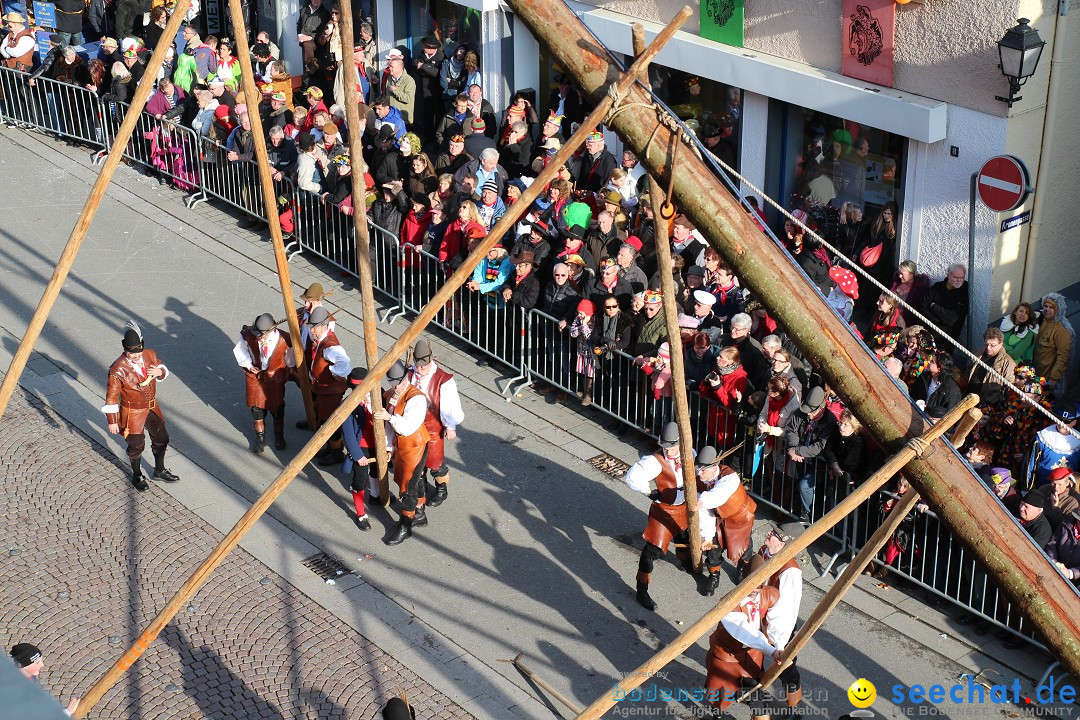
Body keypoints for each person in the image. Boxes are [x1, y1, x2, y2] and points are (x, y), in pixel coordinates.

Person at [624, 422, 694, 611]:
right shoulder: (654, 461)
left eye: (671, 447)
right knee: (651, 552)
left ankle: (685, 563)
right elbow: (631, 477)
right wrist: (649, 492)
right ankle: (642, 589)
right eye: (665, 447)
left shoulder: (690, 454)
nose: (668, 451)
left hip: (684, 507)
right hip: (665, 510)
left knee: (684, 538)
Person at [103, 322, 179, 491]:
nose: (136, 355)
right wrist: (112, 421)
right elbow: (111, 397)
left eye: (138, 352)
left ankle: (159, 470)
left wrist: (160, 372)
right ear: (125, 350)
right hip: (132, 411)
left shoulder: (149, 354)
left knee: (162, 439)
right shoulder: (117, 369)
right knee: (136, 445)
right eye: (132, 353)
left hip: (152, 407)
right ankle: (137, 475)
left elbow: (161, 366)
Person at [703, 553, 778, 719]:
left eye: (759, 588)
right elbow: (744, 631)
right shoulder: (729, 604)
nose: (755, 592)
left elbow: (779, 619)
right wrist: (770, 649)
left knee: (758, 700)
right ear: (743, 577)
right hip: (726, 658)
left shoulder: (768, 595)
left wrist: (778, 644)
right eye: (751, 586)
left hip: (752, 657)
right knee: (720, 699)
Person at [375, 360, 430, 545]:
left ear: (406, 377)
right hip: (402, 445)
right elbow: (390, 429)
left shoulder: (417, 398)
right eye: (392, 382)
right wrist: (389, 448)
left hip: (415, 445)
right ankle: (420, 512)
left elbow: (406, 427)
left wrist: (389, 417)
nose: (394, 386)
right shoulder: (392, 393)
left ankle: (405, 525)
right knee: (414, 480)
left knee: (408, 487)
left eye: (397, 382)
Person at [754, 521, 807, 714]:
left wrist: (779, 645)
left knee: (786, 670)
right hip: (757, 618)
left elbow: (786, 611)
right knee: (752, 659)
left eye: (775, 533)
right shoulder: (764, 551)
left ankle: (794, 709)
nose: (769, 533)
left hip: (780, 628)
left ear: (783, 544)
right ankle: (754, 696)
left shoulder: (790, 572)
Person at [406, 339, 464, 508]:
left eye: (424, 366)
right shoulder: (410, 374)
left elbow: (449, 404)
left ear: (431, 360)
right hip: (413, 426)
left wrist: (450, 425)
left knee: (435, 459)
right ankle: (420, 487)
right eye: (418, 366)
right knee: (417, 460)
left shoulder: (443, 380)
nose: (421, 369)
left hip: (432, 427)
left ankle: (441, 488)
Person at [697, 445, 757, 595]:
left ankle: (743, 569)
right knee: (712, 547)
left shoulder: (729, 478)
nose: (700, 473)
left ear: (714, 466)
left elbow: (717, 496)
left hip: (739, 518)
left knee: (744, 547)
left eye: (704, 470)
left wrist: (702, 500)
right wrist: (708, 537)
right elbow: (705, 511)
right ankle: (714, 575)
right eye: (699, 468)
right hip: (718, 518)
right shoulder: (701, 479)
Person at [233, 313, 295, 453]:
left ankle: (279, 436)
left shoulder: (285, 339)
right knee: (257, 409)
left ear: (270, 330)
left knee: (277, 408)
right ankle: (260, 438)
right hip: (255, 377)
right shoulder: (248, 334)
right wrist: (249, 365)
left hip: (275, 379)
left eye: (261, 334)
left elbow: (291, 360)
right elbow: (240, 349)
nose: (258, 337)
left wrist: (285, 371)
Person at [303, 307, 351, 465]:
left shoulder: (330, 345)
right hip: (325, 388)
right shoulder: (322, 340)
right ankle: (332, 448)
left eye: (315, 327)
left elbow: (344, 363)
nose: (313, 331)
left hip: (331, 390)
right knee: (325, 418)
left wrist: (330, 371)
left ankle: (337, 451)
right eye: (312, 327)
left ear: (324, 326)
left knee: (330, 421)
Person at [787, 386, 838, 523]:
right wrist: (794, 447)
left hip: (819, 463)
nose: (808, 414)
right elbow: (792, 429)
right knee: (793, 481)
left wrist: (797, 451)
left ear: (820, 408)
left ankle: (806, 513)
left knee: (805, 485)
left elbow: (819, 446)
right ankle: (798, 508)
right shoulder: (801, 412)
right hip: (800, 458)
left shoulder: (830, 421)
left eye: (812, 411)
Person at [341, 367, 377, 530]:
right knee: (360, 480)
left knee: (377, 472)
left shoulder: (379, 395)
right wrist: (357, 455)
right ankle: (361, 514)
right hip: (361, 447)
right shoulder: (347, 405)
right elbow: (348, 434)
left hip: (378, 443)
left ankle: (376, 495)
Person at [9, 643, 80, 715]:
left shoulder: (30, 677)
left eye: (41, 660)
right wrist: (67, 712)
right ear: (21, 665)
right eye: (37, 663)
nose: (42, 665)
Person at [1027, 402, 1080, 489]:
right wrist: (1028, 490)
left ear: (1074, 422)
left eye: (1067, 421)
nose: (1062, 424)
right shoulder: (1042, 438)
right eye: (1059, 419)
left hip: (1069, 492)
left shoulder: (1078, 440)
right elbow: (1030, 466)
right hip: (1043, 489)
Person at [919, 263, 969, 345]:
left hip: (946, 340)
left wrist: (933, 306)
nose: (959, 280)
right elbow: (923, 308)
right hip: (927, 334)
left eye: (962, 277)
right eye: (956, 277)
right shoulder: (937, 287)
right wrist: (940, 320)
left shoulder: (965, 291)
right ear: (948, 275)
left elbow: (952, 319)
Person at [966, 327, 1016, 409]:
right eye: (986, 344)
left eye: (992, 345)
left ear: (1000, 344)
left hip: (988, 405)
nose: (988, 348)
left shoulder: (1008, 363)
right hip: (970, 398)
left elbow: (1009, 388)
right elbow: (968, 368)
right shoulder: (980, 353)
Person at [1034, 293, 1073, 397]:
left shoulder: (1062, 330)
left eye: (1051, 307)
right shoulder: (1045, 321)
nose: (1047, 309)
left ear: (1058, 309)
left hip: (1048, 379)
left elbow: (1063, 356)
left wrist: (1053, 378)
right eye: (1045, 306)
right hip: (1037, 374)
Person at [1046, 507, 1080, 584]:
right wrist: (1053, 561)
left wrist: (1070, 573)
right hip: (1052, 567)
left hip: (1073, 582)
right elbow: (1052, 543)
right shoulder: (1066, 524)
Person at [1000, 301, 1039, 366]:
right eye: (1021, 311)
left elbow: (1015, 354)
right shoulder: (1006, 325)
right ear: (1015, 312)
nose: (1023, 314)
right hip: (1001, 361)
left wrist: (1000, 345)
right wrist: (1010, 349)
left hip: (1018, 368)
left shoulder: (1029, 333)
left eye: (1027, 313)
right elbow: (995, 341)